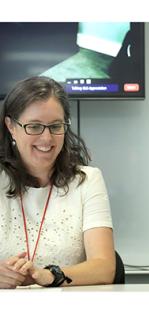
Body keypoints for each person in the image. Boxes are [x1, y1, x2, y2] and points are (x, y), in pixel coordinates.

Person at [0, 76, 115, 289]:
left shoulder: (88, 181)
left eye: (55, 126)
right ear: (10, 126)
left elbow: (105, 267)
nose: (47, 138)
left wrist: (49, 275)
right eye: (34, 127)